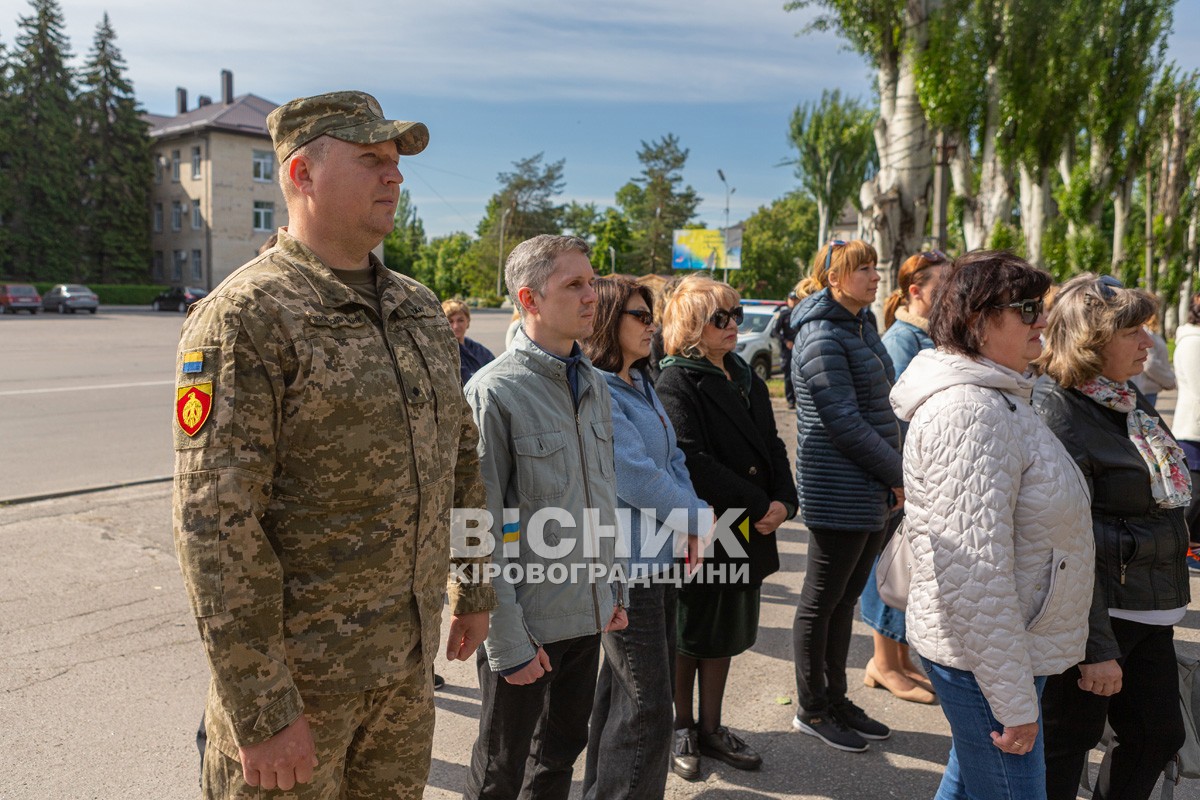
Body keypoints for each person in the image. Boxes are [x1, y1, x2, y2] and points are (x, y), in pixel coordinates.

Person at [172, 90, 495, 799]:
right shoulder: (246, 317)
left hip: (404, 676)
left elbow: (461, 463)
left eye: (397, 163)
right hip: (299, 691)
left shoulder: (415, 308)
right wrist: (261, 709)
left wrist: (474, 584)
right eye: (372, 159)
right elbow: (216, 527)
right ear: (302, 175)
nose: (395, 177)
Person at [890, 251, 1095, 800]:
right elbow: (973, 573)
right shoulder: (969, 411)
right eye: (1027, 307)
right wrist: (1013, 702)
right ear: (978, 321)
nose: (1042, 320)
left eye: (1042, 306)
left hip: (1004, 649)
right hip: (985, 657)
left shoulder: (998, 395)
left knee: (967, 785)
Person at [463, 234, 628, 800]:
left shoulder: (596, 385)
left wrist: (612, 590)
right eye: (575, 285)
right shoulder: (493, 392)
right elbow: (473, 529)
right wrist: (507, 641)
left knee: (558, 759)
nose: (593, 297)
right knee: (499, 774)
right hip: (526, 624)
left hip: (585, 617)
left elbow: (601, 495)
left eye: (593, 282)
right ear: (530, 299)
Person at [1033, 273, 1191, 800]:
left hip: (1145, 607)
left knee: (1157, 734)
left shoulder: (1127, 401)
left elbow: (1162, 500)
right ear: (1090, 341)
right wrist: (1094, 646)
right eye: (1134, 332)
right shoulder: (1059, 411)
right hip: (1096, 615)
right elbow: (1066, 544)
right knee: (1065, 744)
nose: (1148, 342)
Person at [656, 274, 798, 779]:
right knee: (690, 632)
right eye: (721, 317)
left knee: (725, 634)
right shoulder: (677, 379)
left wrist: (786, 498)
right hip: (706, 528)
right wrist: (759, 501)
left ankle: (712, 728)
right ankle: (681, 727)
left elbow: (773, 443)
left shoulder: (743, 373)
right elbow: (690, 459)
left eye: (735, 314)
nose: (734, 325)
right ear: (693, 325)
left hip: (749, 526)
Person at [579, 276, 709, 799]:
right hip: (625, 569)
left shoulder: (641, 382)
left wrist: (694, 520)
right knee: (648, 708)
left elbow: (672, 460)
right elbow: (635, 477)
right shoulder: (599, 388)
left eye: (650, 314)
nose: (652, 324)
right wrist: (699, 520)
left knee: (621, 700)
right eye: (640, 315)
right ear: (611, 321)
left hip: (659, 561)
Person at [788, 239, 902, 752]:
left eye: (876, 267)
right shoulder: (819, 335)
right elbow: (844, 423)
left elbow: (882, 404)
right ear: (835, 278)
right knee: (821, 603)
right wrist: (899, 475)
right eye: (864, 269)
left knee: (844, 601)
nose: (876, 276)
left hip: (870, 486)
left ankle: (836, 698)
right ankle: (812, 709)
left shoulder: (859, 324)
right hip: (839, 487)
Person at [857, 249, 948, 706]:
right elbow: (891, 416)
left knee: (907, 567)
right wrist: (901, 474)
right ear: (916, 292)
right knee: (891, 567)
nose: (950, 294)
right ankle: (883, 663)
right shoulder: (902, 340)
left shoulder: (925, 336)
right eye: (941, 286)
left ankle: (899, 659)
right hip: (905, 471)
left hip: (920, 473)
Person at [1173, 294, 1200, 569]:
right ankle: (1180, 549)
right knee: (1193, 496)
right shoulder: (1193, 342)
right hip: (1194, 428)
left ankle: (1192, 550)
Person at [442, 299, 496, 384]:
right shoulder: (441, 353)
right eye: (450, 321)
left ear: (468, 321)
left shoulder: (479, 350)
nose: (455, 326)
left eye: (460, 320)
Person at [1130, 313, 1175, 407]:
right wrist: (1169, 381)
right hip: (1145, 390)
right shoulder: (1146, 333)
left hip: (1149, 389)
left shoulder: (1150, 333)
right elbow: (1149, 365)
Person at [774, 288, 802, 409]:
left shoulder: (802, 313)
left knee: (801, 376)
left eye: (795, 299)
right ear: (788, 300)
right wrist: (786, 342)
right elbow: (774, 332)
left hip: (801, 348)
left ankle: (801, 400)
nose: (793, 302)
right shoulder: (784, 314)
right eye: (791, 299)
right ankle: (791, 400)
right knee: (788, 376)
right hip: (788, 350)